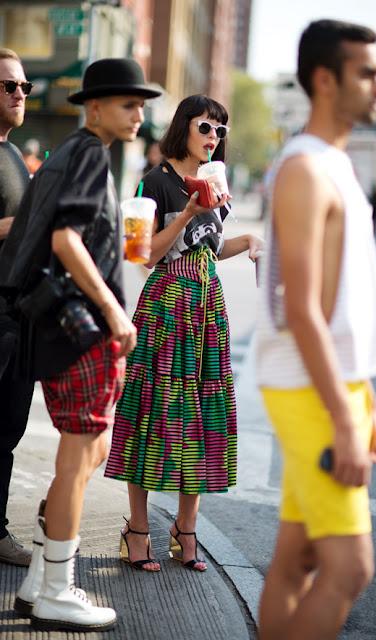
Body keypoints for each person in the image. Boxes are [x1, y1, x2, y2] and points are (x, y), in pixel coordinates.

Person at [1, 57, 160, 632]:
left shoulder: (72, 151)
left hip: (61, 329)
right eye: (128, 104)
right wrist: (116, 310)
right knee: (78, 460)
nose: (138, 114)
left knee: (86, 455)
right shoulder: (91, 152)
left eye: (142, 105)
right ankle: (58, 590)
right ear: (95, 106)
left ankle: (41, 580)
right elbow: (67, 238)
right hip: (81, 332)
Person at [256, 20, 376, 639]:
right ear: (324, 79)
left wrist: (365, 402)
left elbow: (347, 305)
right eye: (366, 72)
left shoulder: (334, 164)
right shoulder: (305, 170)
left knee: (300, 557)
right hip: (309, 388)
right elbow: (302, 307)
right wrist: (343, 415)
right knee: (351, 570)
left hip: (335, 384)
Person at [105, 94, 263, 572]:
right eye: (205, 128)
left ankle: (186, 528)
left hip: (206, 310)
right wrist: (190, 213)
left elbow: (211, 249)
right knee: (152, 412)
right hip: (165, 307)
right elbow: (143, 255)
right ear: (184, 128)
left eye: (220, 130)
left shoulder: (216, 179)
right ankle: (137, 528)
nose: (214, 138)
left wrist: (250, 242)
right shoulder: (153, 181)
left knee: (200, 418)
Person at [0, 47, 34, 568]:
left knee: (7, 429)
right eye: (10, 86)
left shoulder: (10, 155)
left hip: (18, 314)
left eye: (25, 87)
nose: (21, 94)